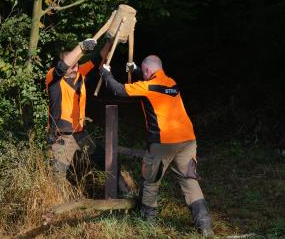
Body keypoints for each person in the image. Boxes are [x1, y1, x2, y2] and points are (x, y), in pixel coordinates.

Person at [99, 55, 214, 236]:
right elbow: (154, 83)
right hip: (187, 140)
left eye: (143, 72)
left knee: (151, 181)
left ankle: (148, 226)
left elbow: (118, 90)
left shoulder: (147, 87)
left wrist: (106, 74)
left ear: (147, 71)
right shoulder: (171, 83)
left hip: (163, 143)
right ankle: (205, 226)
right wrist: (136, 70)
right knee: (190, 181)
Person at [46, 37, 112, 177]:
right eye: (72, 65)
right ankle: (56, 198)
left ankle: (121, 192)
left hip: (80, 133)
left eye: (76, 65)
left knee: (105, 160)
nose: (74, 68)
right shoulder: (53, 77)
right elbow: (63, 66)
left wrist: (110, 42)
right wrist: (81, 47)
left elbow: (98, 58)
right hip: (62, 136)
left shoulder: (80, 73)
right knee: (56, 176)